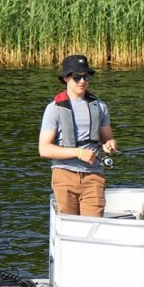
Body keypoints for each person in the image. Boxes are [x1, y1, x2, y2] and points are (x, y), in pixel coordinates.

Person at [38, 54, 118, 217]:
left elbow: (107, 138)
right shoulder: (53, 109)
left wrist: (110, 144)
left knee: (93, 226)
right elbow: (44, 150)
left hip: (94, 177)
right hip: (64, 175)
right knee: (70, 225)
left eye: (86, 77)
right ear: (66, 78)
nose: (82, 81)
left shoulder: (100, 107)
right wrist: (79, 153)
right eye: (77, 77)